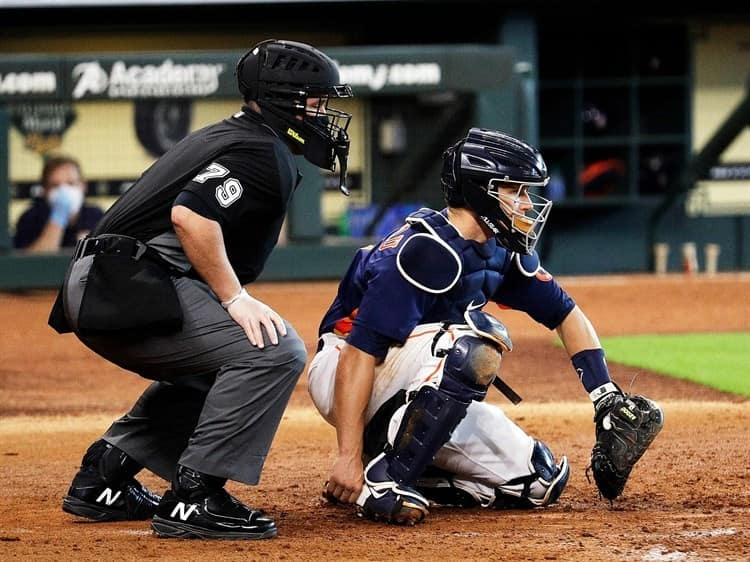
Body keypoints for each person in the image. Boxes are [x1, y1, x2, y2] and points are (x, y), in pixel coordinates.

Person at [51, 39, 353, 540]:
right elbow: (190, 216)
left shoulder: (240, 135)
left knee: (223, 357)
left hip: (111, 283)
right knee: (272, 350)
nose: (325, 115)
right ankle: (197, 496)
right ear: (284, 98)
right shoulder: (261, 150)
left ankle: (105, 476)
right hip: (129, 285)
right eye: (316, 102)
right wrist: (234, 298)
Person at [307, 127, 663, 525]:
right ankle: (385, 478)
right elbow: (360, 351)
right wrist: (346, 456)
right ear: (481, 191)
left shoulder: (498, 250)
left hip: (410, 382)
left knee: (539, 480)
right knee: (475, 343)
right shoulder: (424, 252)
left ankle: (408, 465)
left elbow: (566, 315)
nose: (528, 204)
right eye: (517, 192)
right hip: (345, 372)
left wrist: (605, 397)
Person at [13, 156, 104, 252]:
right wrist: (58, 217)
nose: (64, 191)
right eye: (55, 185)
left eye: (71, 183)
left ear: (83, 186)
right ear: (45, 190)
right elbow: (31, 263)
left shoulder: (97, 216)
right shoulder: (30, 218)